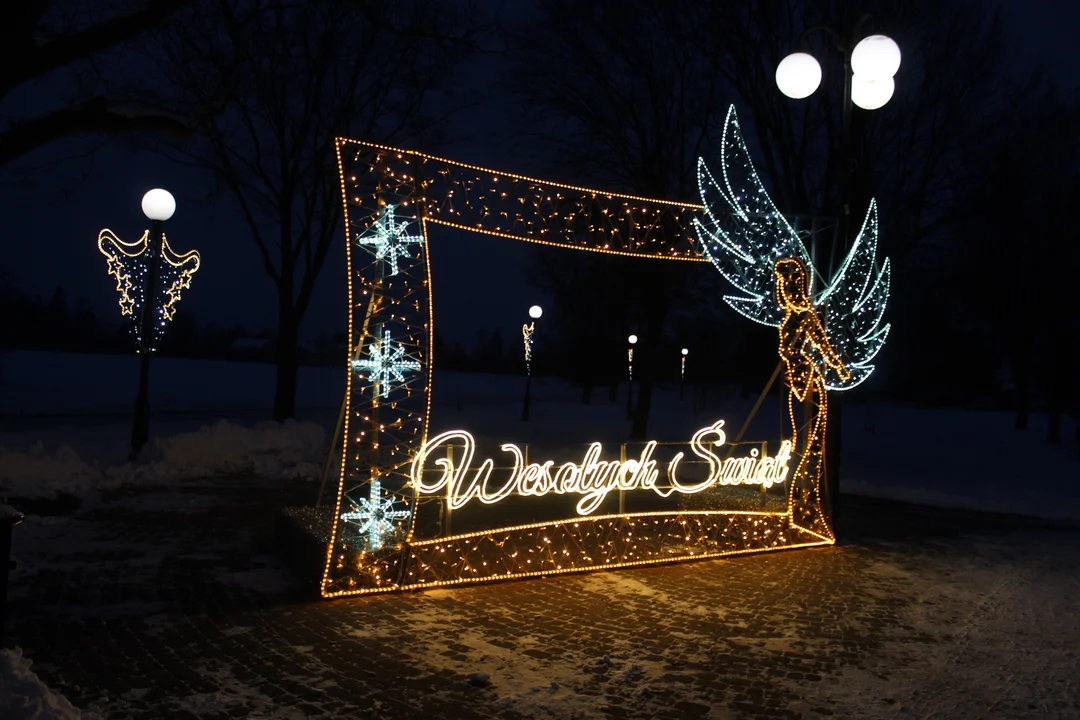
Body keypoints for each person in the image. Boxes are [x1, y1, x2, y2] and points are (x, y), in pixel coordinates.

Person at [774, 257, 851, 540]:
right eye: (785, 286)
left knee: (809, 442)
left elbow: (823, 344)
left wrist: (839, 367)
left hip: (808, 383)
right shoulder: (789, 318)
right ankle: (798, 503)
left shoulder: (806, 316)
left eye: (794, 286)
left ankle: (809, 504)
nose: (789, 292)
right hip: (794, 383)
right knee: (796, 440)